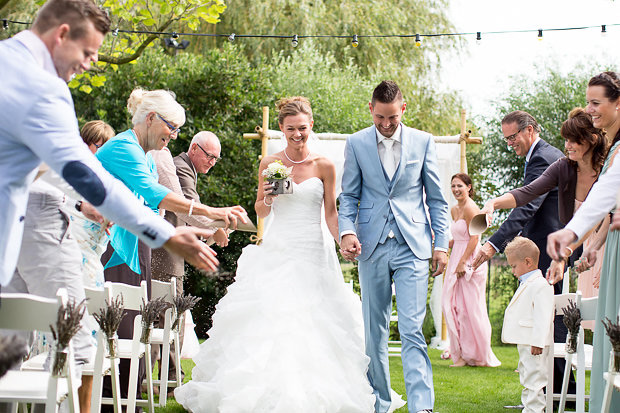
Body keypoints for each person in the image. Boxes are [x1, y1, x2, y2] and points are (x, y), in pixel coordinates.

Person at [174, 96, 380, 412]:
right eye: (289, 130)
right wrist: (268, 198)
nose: (297, 135)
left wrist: (343, 240)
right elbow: (260, 210)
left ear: (310, 126)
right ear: (281, 130)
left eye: (302, 128)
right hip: (280, 249)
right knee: (275, 318)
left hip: (314, 250)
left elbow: (330, 213)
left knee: (317, 320)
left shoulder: (324, 166)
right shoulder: (270, 163)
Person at [0, 0, 221, 293]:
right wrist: (165, 234)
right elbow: (86, 175)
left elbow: (33, 172)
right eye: (88, 52)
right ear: (62, 34)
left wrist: (80, 204)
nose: (90, 62)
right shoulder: (45, 89)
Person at [95, 87, 247, 407]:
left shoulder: (148, 157)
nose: (174, 136)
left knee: (136, 327)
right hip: (112, 249)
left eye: (177, 130)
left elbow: (153, 214)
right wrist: (210, 213)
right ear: (151, 119)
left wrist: (187, 237)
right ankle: (109, 398)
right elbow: (154, 194)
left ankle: (126, 399)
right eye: (171, 127)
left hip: (137, 248)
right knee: (118, 327)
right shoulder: (124, 147)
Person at [339, 80, 450, 413]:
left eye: (392, 118)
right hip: (371, 246)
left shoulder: (423, 142)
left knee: (413, 328)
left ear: (403, 109)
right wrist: (347, 231)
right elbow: (349, 195)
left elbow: (437, 199)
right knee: (374, 330)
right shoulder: (356, 143)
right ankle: (381, 402)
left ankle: (421, 406)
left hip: (413, 246)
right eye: (380, 118)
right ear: (371, 109)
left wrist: (441, 244)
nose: (386, 125)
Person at [470, 110, 574, 398]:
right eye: (506, 139)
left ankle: (550, 394)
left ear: (529, 130)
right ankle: (552, 392)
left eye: (513, 137)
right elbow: (524, 196)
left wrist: (493, 244)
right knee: (544, 321)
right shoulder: (540, 156)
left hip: (545, 254)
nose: (510, 144)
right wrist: (493, 204)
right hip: (542, 251)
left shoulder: (543, 157)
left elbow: (527, 206)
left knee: (545, 321)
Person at [480, 108, 609, 310]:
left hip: (607, 240)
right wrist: (493, 203)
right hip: (578, 243)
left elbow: (607, 216)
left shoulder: (608, 170)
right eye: (565, 140)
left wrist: (594, 249)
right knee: (594, 316)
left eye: (572, 140)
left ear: (590, 140)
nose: (566, 146)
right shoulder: (563, 167)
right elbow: (527, 193)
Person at [547, 72, 620, 413]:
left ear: (617, 103)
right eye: (588, 101)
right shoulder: (617, 149)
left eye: (596, 103)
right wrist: (573, 236)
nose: (589, 109)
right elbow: (602, 200)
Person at [150, 131, 229, 394]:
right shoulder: (181, 168)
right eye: (209, 156)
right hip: (165, 253)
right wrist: (218, 225)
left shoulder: (183, 167)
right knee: (169, 316)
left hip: (168, 250)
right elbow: (189, 209)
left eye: (217, 159)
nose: (212, 163)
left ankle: (165, 379)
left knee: (166, 317)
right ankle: (168, 381)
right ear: (194, 148)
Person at [441, 173, 500, 368]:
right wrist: (440, 244)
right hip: (457, 255)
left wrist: (462, 262)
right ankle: (462, 353)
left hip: (470, 259)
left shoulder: (471, 208)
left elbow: (474, 238)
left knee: (471, 310)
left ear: (469, 187)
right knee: (454, 306)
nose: (456, 189)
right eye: (453, 186)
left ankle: (477, 354)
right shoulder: (454, 209)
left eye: (459, 186)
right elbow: (459, 237)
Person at [502, 237, 554, 413]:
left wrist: (538, 342)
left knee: (535, 380)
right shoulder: (527, 283)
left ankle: (535, 409)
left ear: (528, 262)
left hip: (534, 343)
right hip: (526, 341)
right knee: (526, 376)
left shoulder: (540, 285)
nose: (513, 271)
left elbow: (543, 316)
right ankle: (528, 408)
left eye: (514, 266)